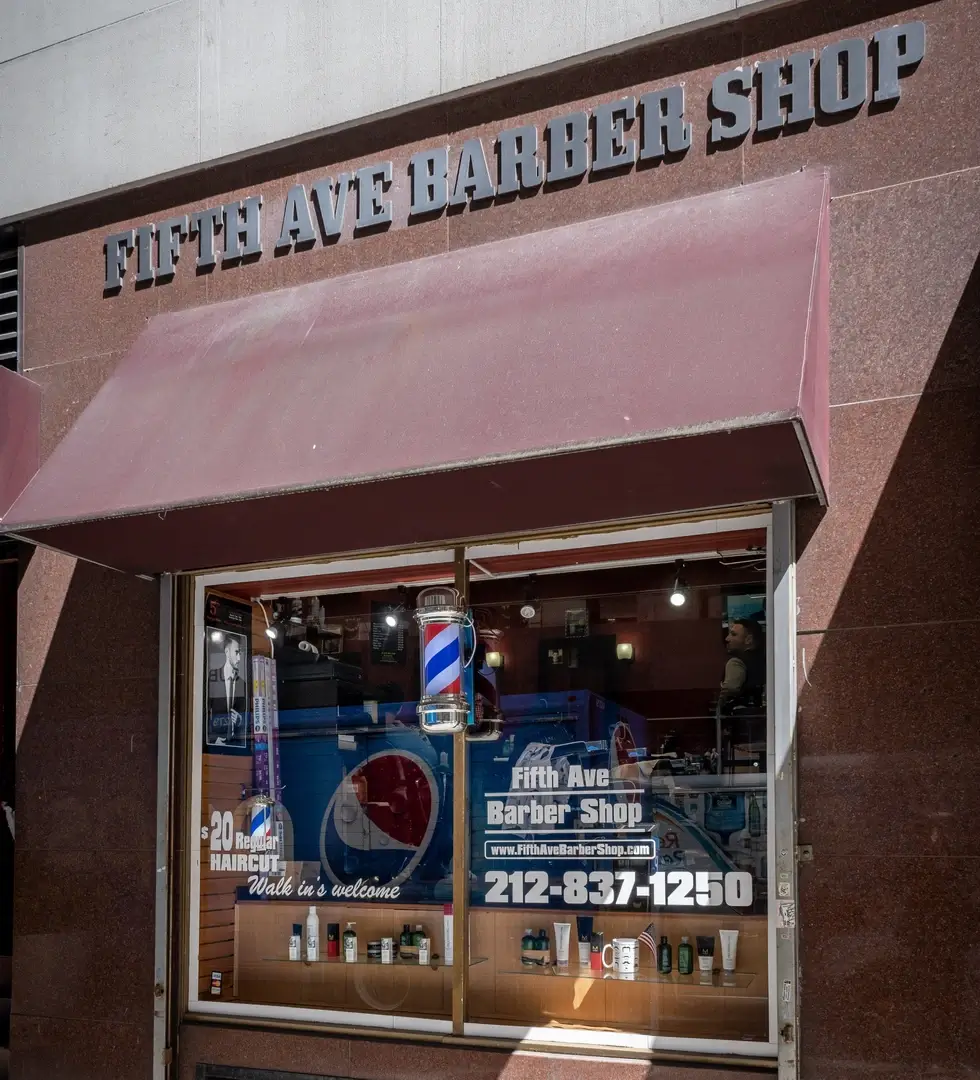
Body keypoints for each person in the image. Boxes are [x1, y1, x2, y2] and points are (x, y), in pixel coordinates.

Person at [719, 618, 765, 713]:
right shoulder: (770, 662)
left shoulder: (736, 663)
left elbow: (730, 689)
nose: (727, 639)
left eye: (733, 634)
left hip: (741, 720)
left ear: (749, 639)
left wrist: (721, 704)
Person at [210, 635, 247, 746]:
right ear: (227, 652)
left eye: (240, 653)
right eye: (236, 652)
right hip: (215, 743)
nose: (239, 658)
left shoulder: (242, 684)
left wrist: (239, 720)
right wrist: (213, 739)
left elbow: (245, 717)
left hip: (235, 744)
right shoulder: (213, 678)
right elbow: (204, 713)